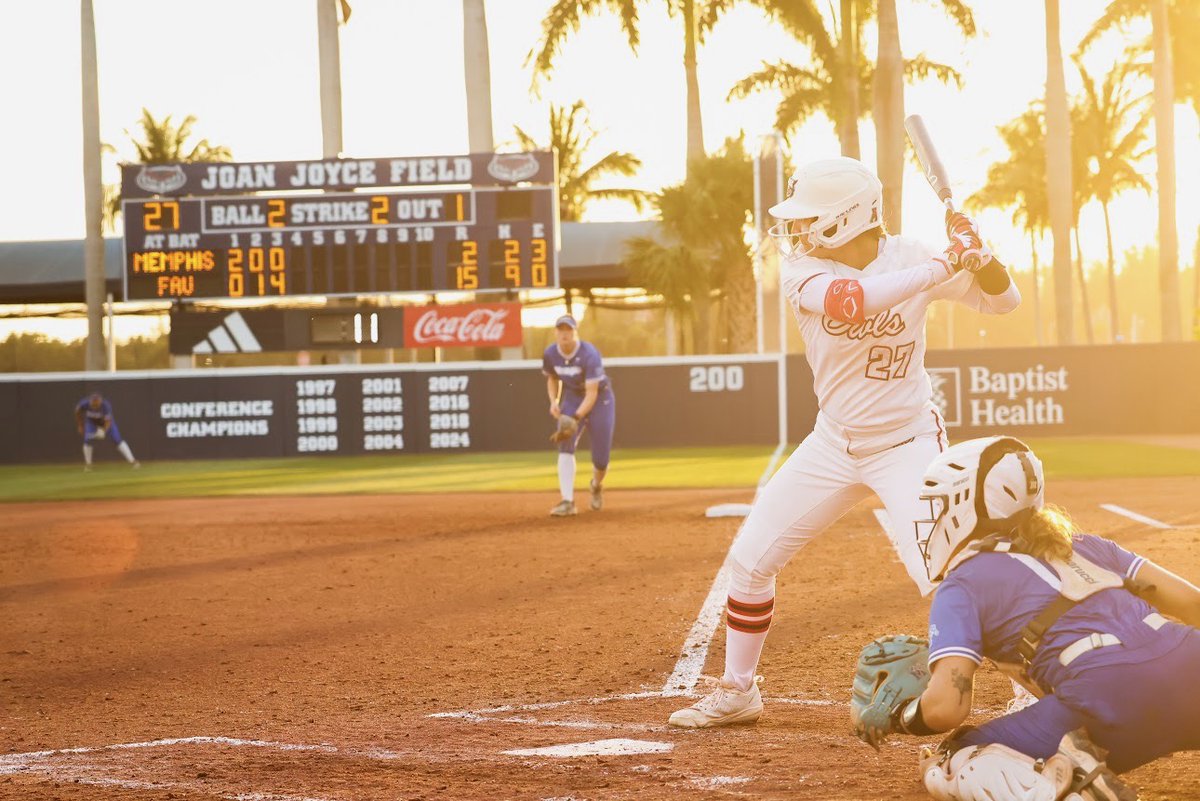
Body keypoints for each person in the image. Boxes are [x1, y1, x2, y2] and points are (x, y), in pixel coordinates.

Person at [669, 156, 1021, 728]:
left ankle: (1038, 687)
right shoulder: (804, 270)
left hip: (908, 442)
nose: (797, 229)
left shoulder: (911, 257)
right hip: (833, 443)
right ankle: (738, 691)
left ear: (846, 218)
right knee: (751, 561)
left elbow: (1004, 302)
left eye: (809, 217)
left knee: (944, 573)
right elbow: (852, 301)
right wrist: (945, 262)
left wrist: (982, 257)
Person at [870, 435, 1200, 800]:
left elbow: (947, 707)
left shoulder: (962, 583)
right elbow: (1192, 602)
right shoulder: (1089, 545)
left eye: (941, 504)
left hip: (1108, 701)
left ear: (966, 503)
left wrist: (900, 716)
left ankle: (1076, 785)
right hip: (1191, 665)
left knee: (952, 761)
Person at [541, 314, 615, 517]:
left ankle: (596, 485)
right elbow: (552, 378)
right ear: (556, 332)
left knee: (601, 459)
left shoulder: (589, 354)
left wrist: (574, 418)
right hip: (573, 396)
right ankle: (567, 501)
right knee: (565, 444)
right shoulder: (550, 354)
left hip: (600, 400)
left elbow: (592, 394)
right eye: (561, 330)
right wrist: (554, 401)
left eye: (569, 330)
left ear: (575, 332)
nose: (564, 334)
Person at [75, 392, 140, 471]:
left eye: (97, 404)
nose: (95, 406)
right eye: (93, 404)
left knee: (117, 440)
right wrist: (80, 425)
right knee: (87, 440)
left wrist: (103, 431)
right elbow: (77, 412)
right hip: (92, 423)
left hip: (105, 423)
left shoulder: (106, 405)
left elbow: (108, 421)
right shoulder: (84, 404)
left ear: (100, 402)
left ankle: (133, 461)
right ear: (90, 402)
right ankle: (88, 465)